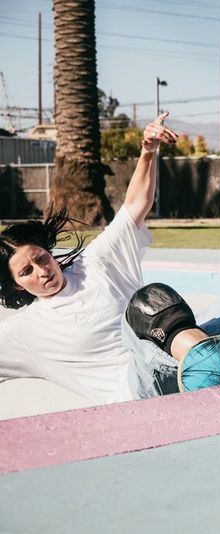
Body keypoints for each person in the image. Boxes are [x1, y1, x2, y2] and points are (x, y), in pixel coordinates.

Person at [0, 113, 178, 404]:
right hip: (139, 389)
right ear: (18, 285)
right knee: (159, 306)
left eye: (41, 258)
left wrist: (148, 151)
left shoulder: (95, 262)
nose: (42, 271)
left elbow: (135, 205)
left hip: (172, 351)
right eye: (26, 271)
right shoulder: (25, 332)